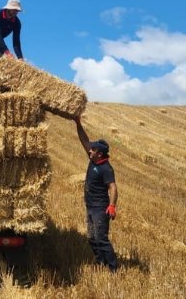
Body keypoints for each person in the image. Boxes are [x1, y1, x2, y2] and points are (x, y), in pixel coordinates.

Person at [73, 115, 118, 272]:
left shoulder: (106, 168)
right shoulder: (93, 160)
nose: (90, 150)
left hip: (100, 208)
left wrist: (112, 205)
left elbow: (112, 187)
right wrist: (78, 124)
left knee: (101, 239)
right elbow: (84, 140)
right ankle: (101, 263)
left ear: (100, 153)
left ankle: (113, 269)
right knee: (92, 238)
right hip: (90, 207)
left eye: (93, 149)